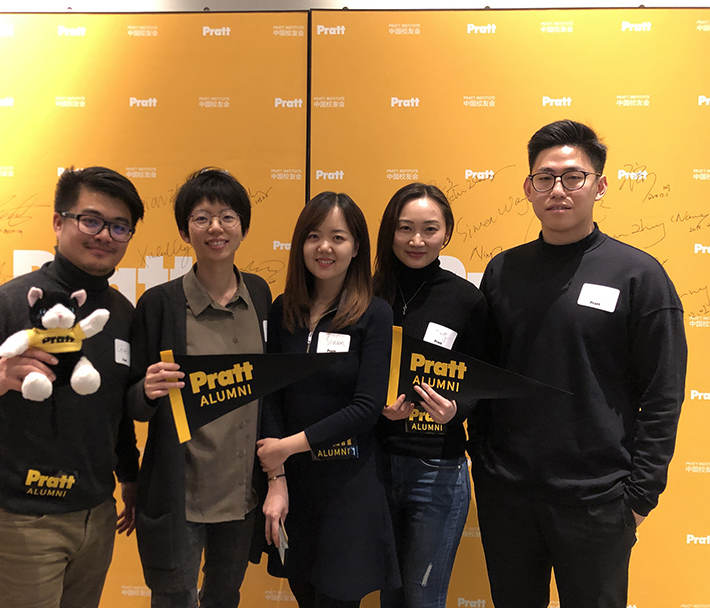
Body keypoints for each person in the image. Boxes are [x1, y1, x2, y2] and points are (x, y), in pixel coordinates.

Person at [469, 120, 688, 608]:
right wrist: (481, 456)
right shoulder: (503, 271)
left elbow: (663, 392)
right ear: (528, 188)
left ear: (600, 185)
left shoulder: (638, 275)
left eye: (574, 177)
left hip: (598, 500)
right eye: (545, 178)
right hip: (507, 492)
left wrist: (638, 498)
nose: (558, 190)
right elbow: (483, 371)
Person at [0, 166, 145, 608]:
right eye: (90, 220)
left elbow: (113, 410)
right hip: (24, 520)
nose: (105, 236)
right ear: (59, 222)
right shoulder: (9, 303)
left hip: (96, 516)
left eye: (119, 227)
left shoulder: (122, 312)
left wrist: (128, 479)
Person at [127, 168, 271, 608]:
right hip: (180, 492)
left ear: (243, 226)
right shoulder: (159, 304)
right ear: (184, 230)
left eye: (227, 217)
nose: (215, 228)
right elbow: (129, 400)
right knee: (173, 598)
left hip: (241, 493)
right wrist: (146, 390)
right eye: (202, 217)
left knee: (225, 596)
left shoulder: (261, 296)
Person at [257, 192, 400, 608]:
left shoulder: (375, 314)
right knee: (303, 592)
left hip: (349, 486)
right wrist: (277, 478)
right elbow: (271, 394)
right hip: (294, 486)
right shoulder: (284, 309)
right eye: (314, 236)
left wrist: (287, 447)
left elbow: (366, 407)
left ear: (356, 247)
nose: (325, 247)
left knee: (338, 598)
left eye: (338, 237)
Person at [373, 183, 487, 608]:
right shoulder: (367, 296)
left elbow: (482, 380)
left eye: (429, 229)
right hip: (375, 463)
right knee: (390, 594)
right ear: (390, 232)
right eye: (405, 228)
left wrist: (457, 409)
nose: (416, 240)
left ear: (447, 233)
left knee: (422, 599)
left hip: (436, 467)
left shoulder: (466, 300)